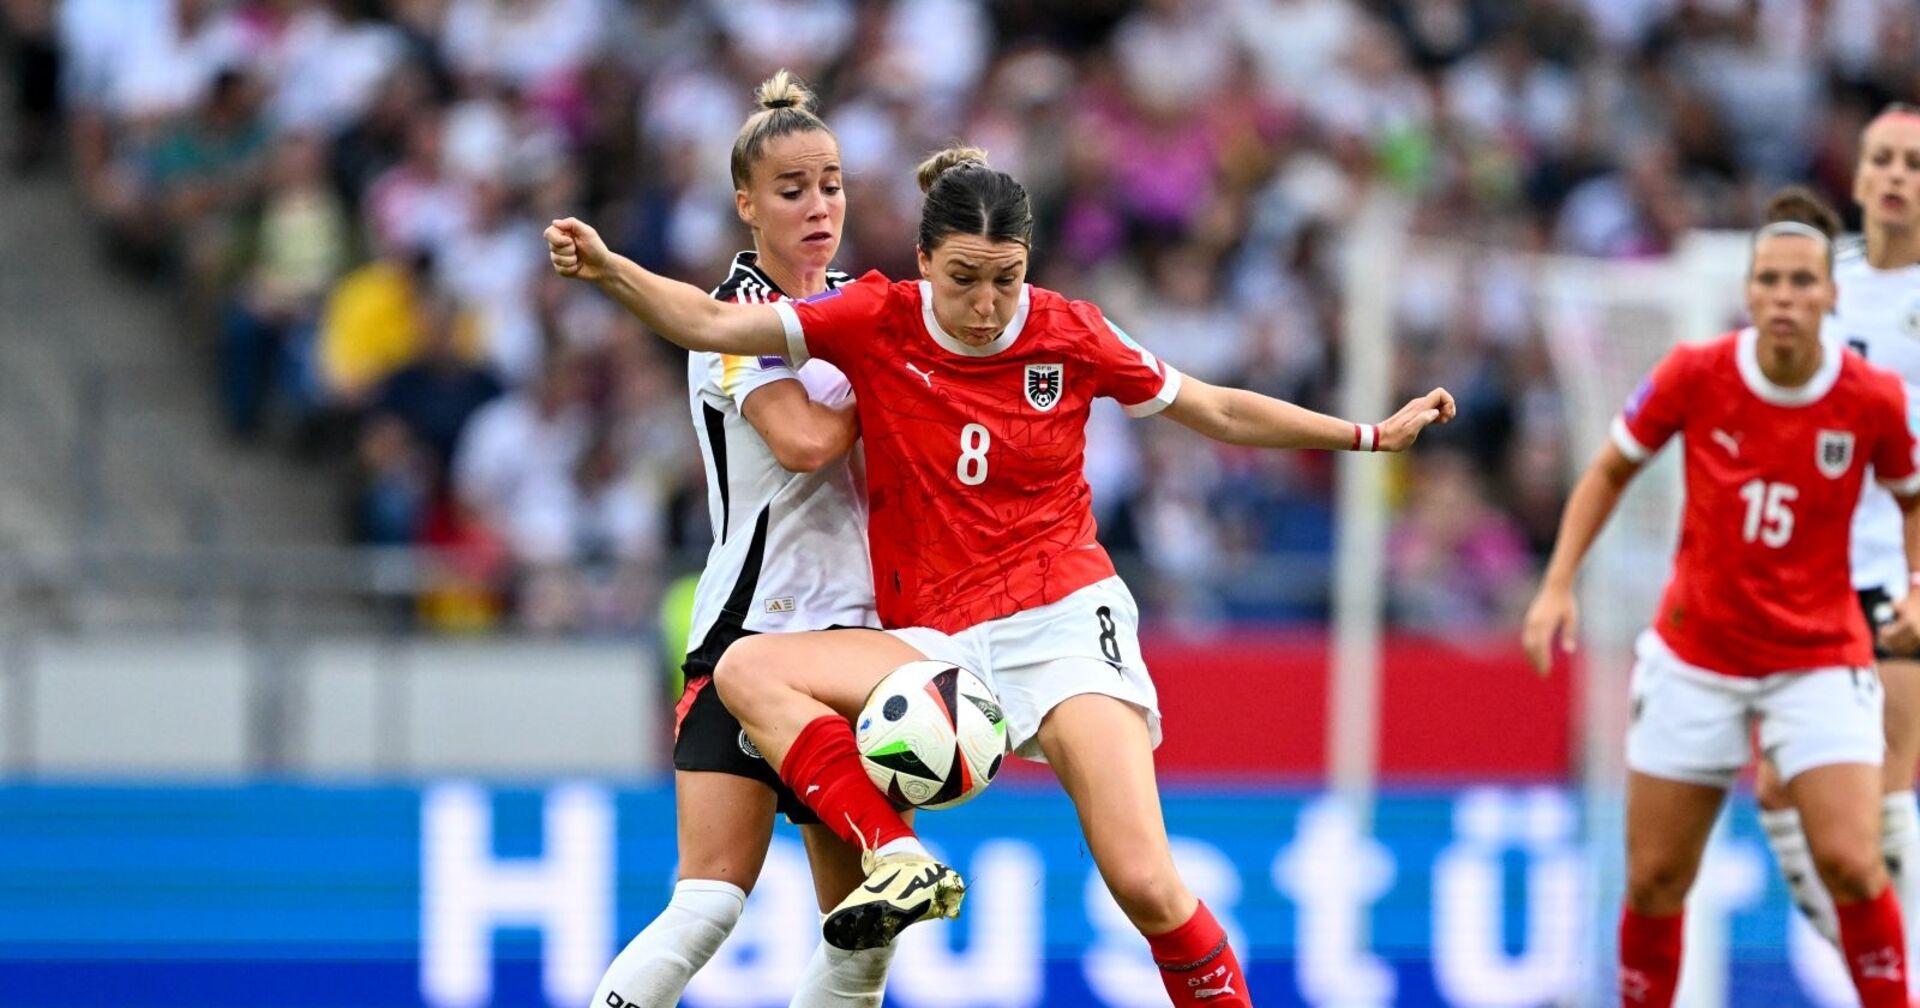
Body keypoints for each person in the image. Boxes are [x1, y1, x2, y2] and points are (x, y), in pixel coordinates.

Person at [548, 144, 1455, 1007]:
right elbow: (712, 323)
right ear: (921, 262)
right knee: (746, 671)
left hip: (1059, 615)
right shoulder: (875, 318)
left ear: (1030, 264)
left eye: (1006, 278)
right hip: (931, 635)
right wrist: (610, 269)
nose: (986, 305)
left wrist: (1367, 434)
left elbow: (1215, 407)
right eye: (963, 280)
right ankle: (898, 855)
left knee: (1144, 883)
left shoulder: (1071, 331)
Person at [1520, 189, 1920, 1008]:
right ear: (1749, 289)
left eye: (1802, 282)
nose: (1784, 297)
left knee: (1852, 858)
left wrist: (1917, 585)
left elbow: (1913, 496)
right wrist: (1558, 582)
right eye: (1769, 280)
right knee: (1658, 878)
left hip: (1819, 656)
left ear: (1831, 295)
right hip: (1696, 655)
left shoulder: (1871, 399)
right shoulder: (1695, 374)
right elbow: (1609, 469)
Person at [586, 72, 899, 1008]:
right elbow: (804, 443)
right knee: (708, 905)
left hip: (853, 644)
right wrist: (887, 386)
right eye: (793, 188)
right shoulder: (729, 320)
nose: (819, 207)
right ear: (746, 203)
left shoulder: (855, 307)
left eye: (832, 183)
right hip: (748, 637)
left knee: (864, 934)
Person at [1755, 104, 1920, 955]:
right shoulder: (1815, 281)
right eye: (1882, 159)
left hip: (1897, 572)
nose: (1895, 176)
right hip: (1803, 578)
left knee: (1884, 791)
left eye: (1913, 164)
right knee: (1779, 789)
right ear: (1855, 177)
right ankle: (1878, 962)